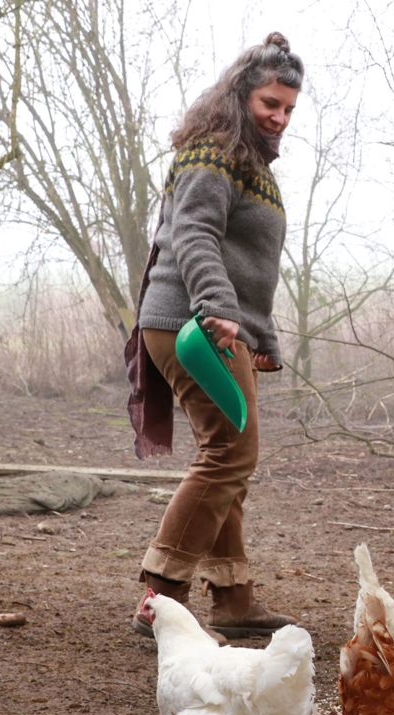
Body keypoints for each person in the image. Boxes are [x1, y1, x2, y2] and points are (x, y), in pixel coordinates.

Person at [124, 32, 302, 639]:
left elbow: (250, 264)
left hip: (213, 325)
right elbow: (194, 234)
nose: (279, 117)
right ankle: (161, 600)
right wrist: (218, 307)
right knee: (229, 454)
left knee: (228, 457)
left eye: (287, 109)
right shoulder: (212, 150)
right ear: (241, 96)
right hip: (190, 324)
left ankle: (233, 596)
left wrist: (257, 335)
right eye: (270, 104)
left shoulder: (249, 162)